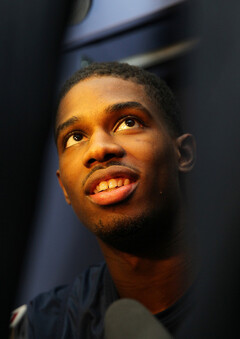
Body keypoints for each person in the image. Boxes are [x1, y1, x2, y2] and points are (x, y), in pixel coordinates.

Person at [27, 62, 196, 338]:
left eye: (128, 123)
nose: (98, 149)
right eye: (74, 138)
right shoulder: (43, 325)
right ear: (64, 188)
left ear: (183, 154)